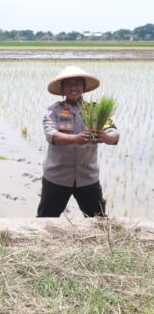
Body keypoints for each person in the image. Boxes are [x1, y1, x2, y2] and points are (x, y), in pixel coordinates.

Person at [38, 66, 119, 217]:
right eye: (68, 84)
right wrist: (75, 139)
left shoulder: (96, 110)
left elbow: (114, 132)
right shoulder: (52, 111)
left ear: (84, 87)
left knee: (98, 219)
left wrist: (106, 137)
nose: (73, 87)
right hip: (57, 177)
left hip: (87, 178)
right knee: (46, 218)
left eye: (77, 83)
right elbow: (52, 135)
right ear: (62, 89)